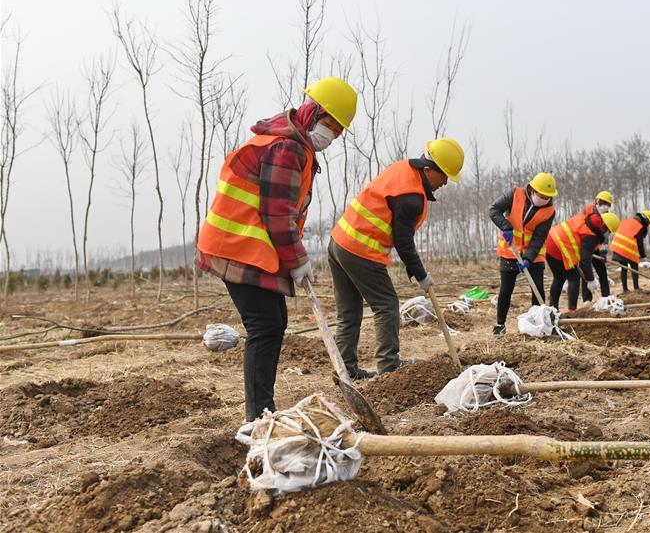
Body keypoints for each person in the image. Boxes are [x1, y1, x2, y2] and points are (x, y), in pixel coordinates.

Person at [196, 77, 357, 422]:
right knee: (265, 325)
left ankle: (262, 411)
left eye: (339, 130)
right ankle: (258, 418)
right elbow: (277, 212)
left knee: (273, 322)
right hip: (236, 246)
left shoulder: (292, 144)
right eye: (330, 124)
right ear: (313, 113)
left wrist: (293, 259)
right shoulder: (288, 148)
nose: (333, 134)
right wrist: (298, 259)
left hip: (245, 246)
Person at [329, 138, 464, 378]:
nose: (444, 182)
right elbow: (403, 241)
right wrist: (421, 275)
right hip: (361, 249)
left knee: (349, 312)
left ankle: (345, 370)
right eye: (444, 176)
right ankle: (389, 366)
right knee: (387, 305)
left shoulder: (404, 169)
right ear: (428, 170)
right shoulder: (411, 196)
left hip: (339, 242)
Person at [489, 173, 557, 337]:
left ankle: (537, 324)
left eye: (547, 197)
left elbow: (539, 237)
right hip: (510, 250)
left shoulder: (549, 211)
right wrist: (506, 227)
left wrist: (528, 258)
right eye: (541, 195)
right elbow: (494, 210)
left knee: (538, 289)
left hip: (533, 256)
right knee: (506, 289)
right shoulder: (515, 194)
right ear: (533, 190)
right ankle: (500, 325)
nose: (544, 199)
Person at [545, 209, 620, 312]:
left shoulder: (589, 220)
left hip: (550, 241)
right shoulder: (591, 236)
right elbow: (585, 261)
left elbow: (594, 260)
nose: (608, 234)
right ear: (603, 226)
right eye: (609, 231)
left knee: (559, 278)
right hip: (558, 248)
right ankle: (572, 310)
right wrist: (590, 280)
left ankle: (552, 309)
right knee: (574, 277)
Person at [609, 210, 650, 293]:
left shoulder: (626, 221)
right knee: (634, 267)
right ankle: (636, 288)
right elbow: (640, 243)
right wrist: (643, 256)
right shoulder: (639, 226)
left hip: (617, 249)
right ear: (646, 220)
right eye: (648, 223)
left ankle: (625, 289)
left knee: (624, 268)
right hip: (627, 250)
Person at [581, 190, 614, 304]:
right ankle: (587, 299)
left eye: (607, 204)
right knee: (586, 270)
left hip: (596, 247)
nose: (605, 206)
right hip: (584, 246)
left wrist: (604, 253)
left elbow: (605, 236)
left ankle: (606, 296)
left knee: (602, 271)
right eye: (603, 202)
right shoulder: (586, 210)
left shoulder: (607, 215)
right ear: (597, 201)